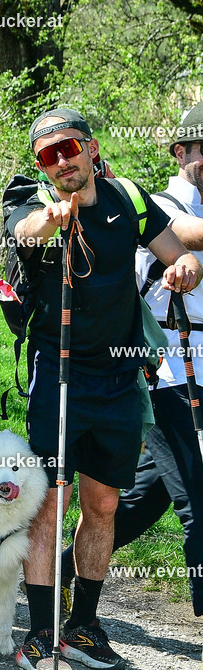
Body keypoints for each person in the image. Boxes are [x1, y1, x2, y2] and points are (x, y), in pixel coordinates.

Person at [6, 108, 200, 670]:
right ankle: (40, 631)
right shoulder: (31, 202)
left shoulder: (129, 199)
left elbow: (178, 252)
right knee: (49, 505)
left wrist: (186, 267)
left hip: (119, 377)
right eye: (48, 156)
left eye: (69, 148)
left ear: (91, 149)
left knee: (104, 503)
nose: (61, 162)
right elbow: (24, 231)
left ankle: (84, 627)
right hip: (57, 373)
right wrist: (51, 219)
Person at [57, 103, 203, 620]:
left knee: (144, 498)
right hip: (169, 374)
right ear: (181, 151)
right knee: (197, 502)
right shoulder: (159, 202)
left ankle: (55, 569)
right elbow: (188, 234)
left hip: (194, 369)